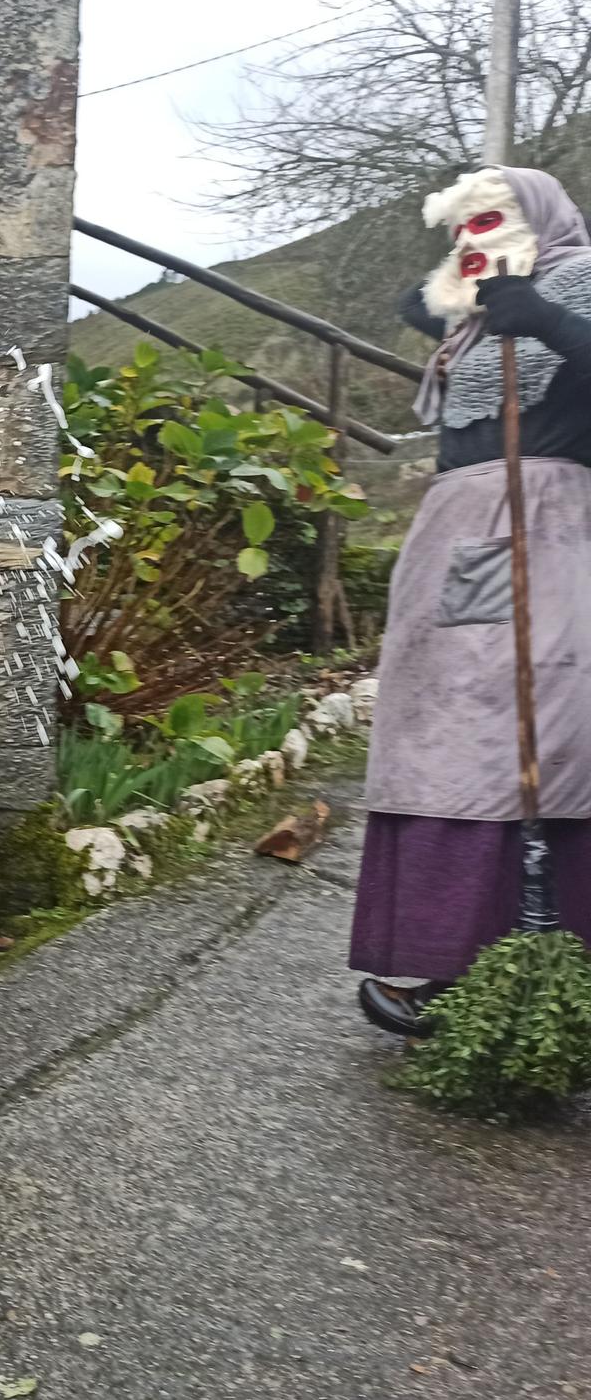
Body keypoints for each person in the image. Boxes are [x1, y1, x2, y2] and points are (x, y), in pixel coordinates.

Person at [354, 165, 591, 1036]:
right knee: (453, 720)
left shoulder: (582, 286)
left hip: (546, 527)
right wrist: (469, 286)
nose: (473, 237)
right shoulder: (476, 322)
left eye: (491, 219)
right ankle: (462, 963)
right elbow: (412, 299)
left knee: (525, 728)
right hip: (470, 536)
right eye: (462, 226)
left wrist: (557, 322)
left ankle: (527, 964)